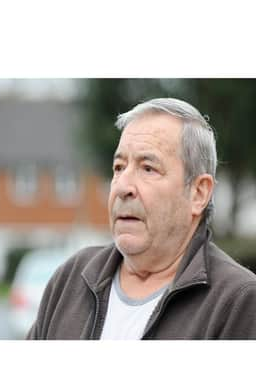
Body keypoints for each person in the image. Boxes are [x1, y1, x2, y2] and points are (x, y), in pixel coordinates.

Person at [28, 98, 256, 340]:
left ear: (198, 193)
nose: (123, 186)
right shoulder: (71, 279)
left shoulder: (238, 301)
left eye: (148, 168)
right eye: (118, 167)